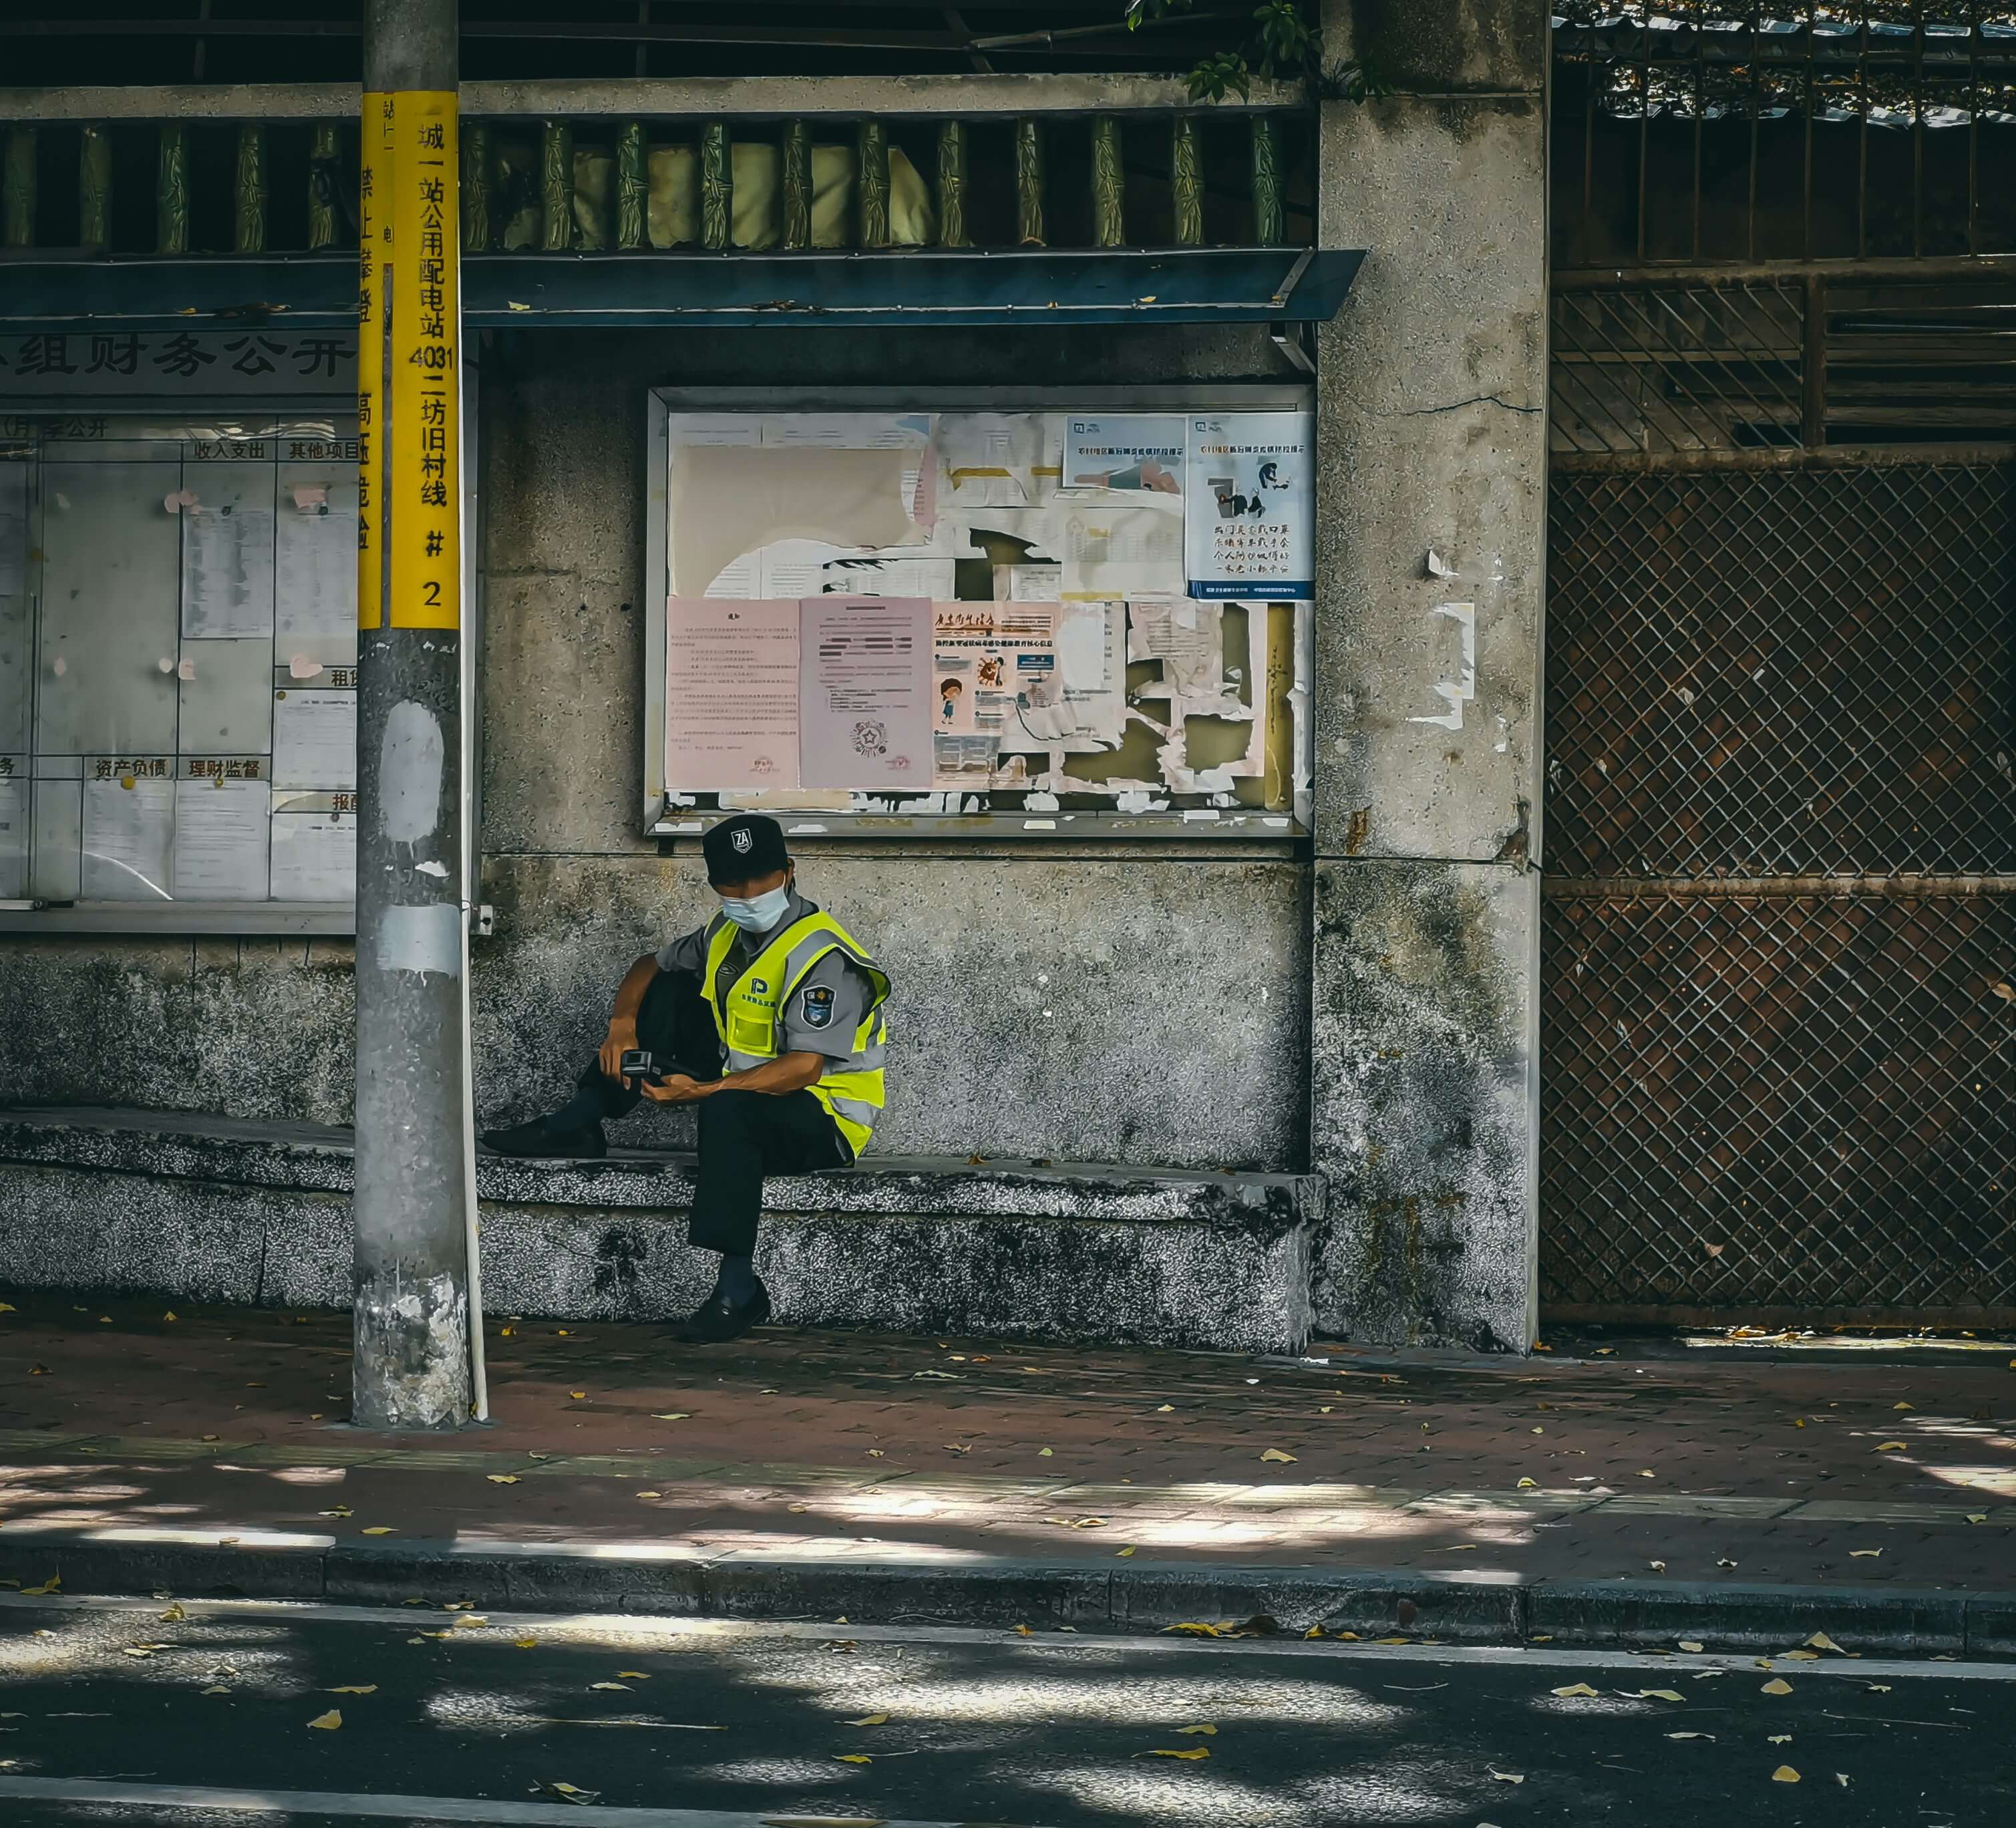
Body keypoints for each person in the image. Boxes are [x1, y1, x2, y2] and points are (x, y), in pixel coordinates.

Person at [482, 814, 890, 1342]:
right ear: (714, 883)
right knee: (670, 990)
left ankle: (739, 1290)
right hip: (744, 1087)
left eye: (762, 879)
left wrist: (704, 1091)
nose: (748, 893)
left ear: (789, 872)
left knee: (729, 1107)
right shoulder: (726, 929)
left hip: (823, 1120)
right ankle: (580, 1120)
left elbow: (803, 1070)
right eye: (732, 884)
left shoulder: (823, 957)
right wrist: (622, 1027)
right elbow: (647, 965)